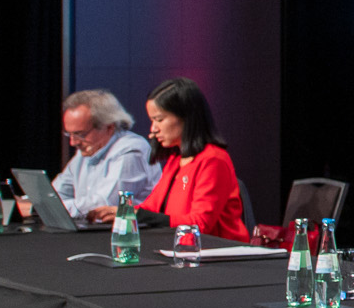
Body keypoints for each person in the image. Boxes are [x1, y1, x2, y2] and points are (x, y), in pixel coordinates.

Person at [89, 77, 248, 241]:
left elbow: (200, 224)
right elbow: (152, 207)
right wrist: (123, 212)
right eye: (152, 120)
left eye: (159, 120)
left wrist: (138, 215)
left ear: (186, 117)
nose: (153, 129)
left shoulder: (213, 159)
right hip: (181, 247)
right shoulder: (176, 159)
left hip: (217, 250)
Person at [54, 90, 156, 217]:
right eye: (69, 134)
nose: (73, 142)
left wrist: (47, 208)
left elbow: (104, 205)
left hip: (128, 229)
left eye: (80, 134)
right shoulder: (86, 150)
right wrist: (40, 204)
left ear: (109, 127)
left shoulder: (131, 151)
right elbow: (56, 194)